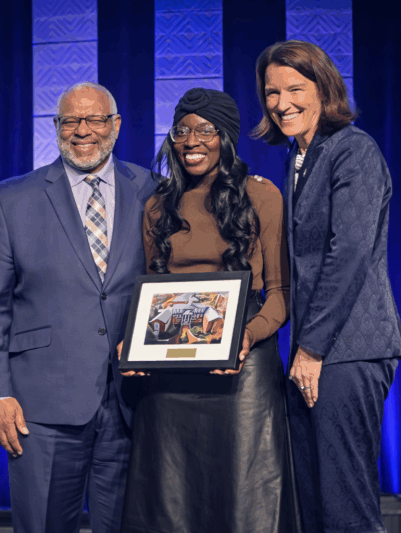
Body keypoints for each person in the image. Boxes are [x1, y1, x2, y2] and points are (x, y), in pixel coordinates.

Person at [0, 82, 156, 533]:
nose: (82, 131)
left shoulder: (153, 189)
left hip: (133, 401)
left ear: (116, 125)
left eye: (94, 120)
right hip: (41, 406)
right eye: (70, 120)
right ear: (56, 126)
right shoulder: (10, 198)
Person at [120, 87, 298, 533]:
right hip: (169, 378)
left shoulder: (262, 196)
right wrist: (133, 343)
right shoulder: (157, 206)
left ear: (226, 137)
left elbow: (280, 295)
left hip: (241, 372)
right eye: (181, 131)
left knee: (244, 505)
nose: (191, 141)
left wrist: (247, 336)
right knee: (169, 506)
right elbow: (153, 292)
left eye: (205, 130)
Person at [253, 40, 401, 533]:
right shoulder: (298, 158)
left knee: (346, 509)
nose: (282, 103)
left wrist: (311, 348)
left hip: (348, 350)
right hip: (315, 351)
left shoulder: (354, 150)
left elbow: (349, 256)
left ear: (323, 89)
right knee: (314, 508)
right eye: (272, 92)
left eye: (295, 89)